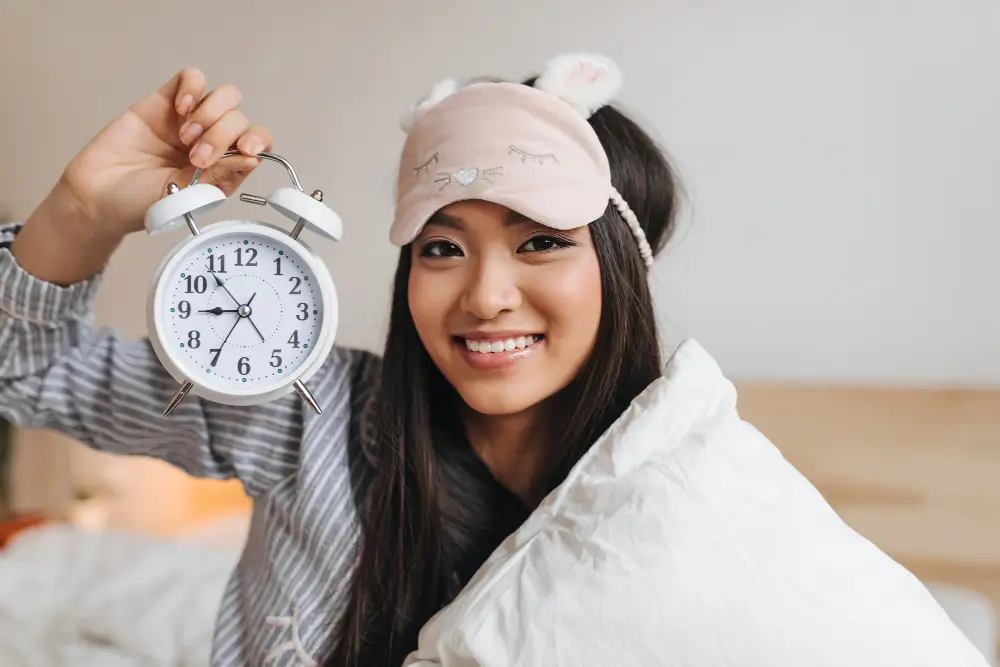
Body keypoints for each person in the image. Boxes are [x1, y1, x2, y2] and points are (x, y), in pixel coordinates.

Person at [0, 53, 989, 667]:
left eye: (539, 240)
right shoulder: (310, 416)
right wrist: (84, 210)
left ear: (617, 268)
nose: (483, 294)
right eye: (440, 245)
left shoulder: (705, 517)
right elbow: (24, 367)